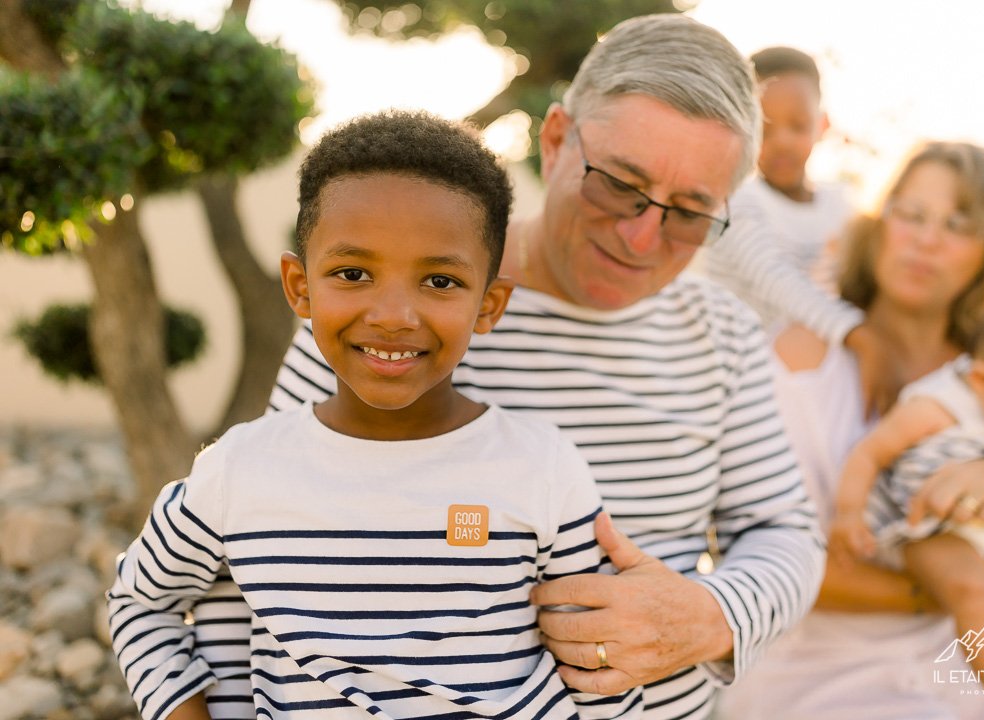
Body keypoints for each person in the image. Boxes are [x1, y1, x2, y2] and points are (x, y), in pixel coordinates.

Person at [175, 13, 826, 720]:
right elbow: (248, 555)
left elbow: (784, 529)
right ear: (554, 142)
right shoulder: (398, 319)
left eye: (691, 212)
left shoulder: (722, 331)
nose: (643, 236)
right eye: (618, 184)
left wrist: (709, 614)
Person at [107, 110, 643, 720]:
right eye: (353, 274)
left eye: (439, 281)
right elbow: (139, 601)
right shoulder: (239, 470)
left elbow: (598, 663)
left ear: (489, 305)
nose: (393, 314)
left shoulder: (542, 467)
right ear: (299, 285)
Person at [717, 141, 984, 720]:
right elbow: (757, 558)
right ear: (877, 224)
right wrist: (969, 588)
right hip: (836, 682)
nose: (925, 239)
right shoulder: (798, 364)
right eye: (909, 214)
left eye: (958, 224)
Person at [830, 280, 984, 718]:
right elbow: (869, 453)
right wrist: (848, 515)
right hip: (931, 530)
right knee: (973, 590)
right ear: (983, 379)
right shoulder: (935, 407)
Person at [691, 46, 898, 416]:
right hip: (743, 382)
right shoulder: (738, 203)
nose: (782, 140)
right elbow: (778, 282)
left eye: (798, 125)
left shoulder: (840, 204)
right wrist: (860, 335)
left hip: (818, 375)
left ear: (822, 126)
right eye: (764, 128)